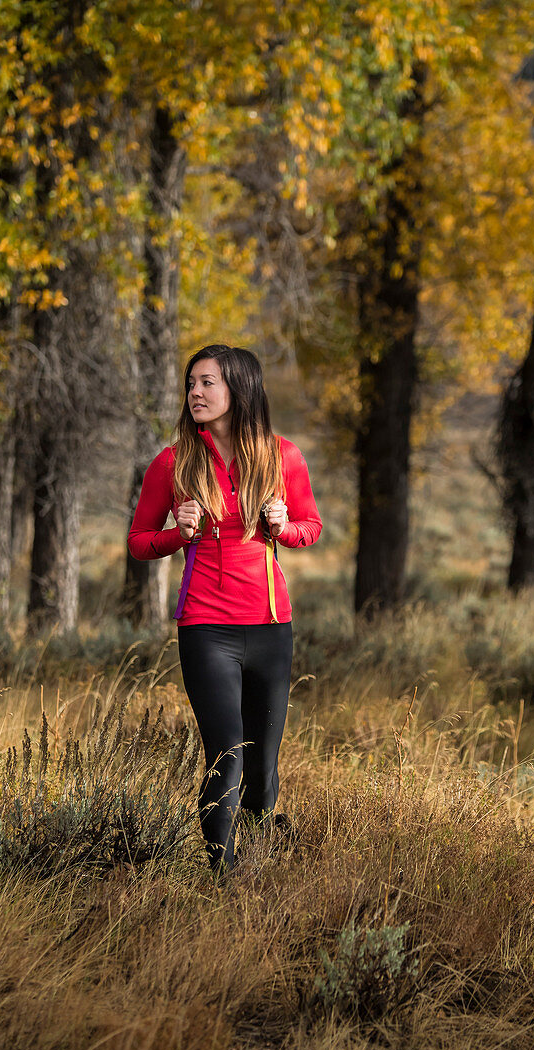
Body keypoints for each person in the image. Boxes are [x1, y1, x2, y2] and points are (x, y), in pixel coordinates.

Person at [127, 344, 322, 877]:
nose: (195, 392)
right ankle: (222, 873)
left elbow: (311, 528)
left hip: (270, 628)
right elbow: (139, 540)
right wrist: (177, 535)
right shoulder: (173, 462)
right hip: (206, 629)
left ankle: (260, 853)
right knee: (226, 755)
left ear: (239, 389)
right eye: (191, 383)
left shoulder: (283, 457)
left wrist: (283, 527)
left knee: (262, 767)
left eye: (207, 383)